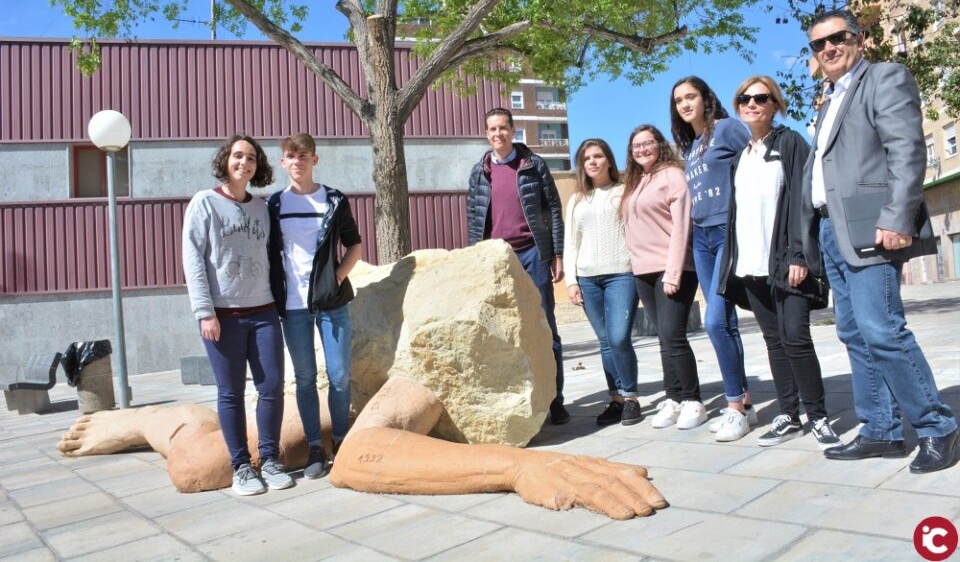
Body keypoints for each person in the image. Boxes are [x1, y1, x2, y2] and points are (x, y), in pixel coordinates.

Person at [55, 376, 667, 519]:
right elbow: (357, 459)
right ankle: (157, 417)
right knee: (196, 466)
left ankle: (196, 417)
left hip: (360, 393)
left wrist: (517, 459)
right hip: (328, 384)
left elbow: (361, 453)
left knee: (204, 465)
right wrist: (514, 464)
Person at [801, 8, 958, 472]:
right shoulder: (828, 100)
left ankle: (938, 427)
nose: (828, 48)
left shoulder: (884, 78)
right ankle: (881, 429)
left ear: (859, 39)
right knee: (852, 332)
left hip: (872, 225)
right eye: (818, 44)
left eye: (837, 38)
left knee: (882, 329)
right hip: (833, 229)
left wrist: (897, 216)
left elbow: (906, 151)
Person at [717, 76, 840, 450]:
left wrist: (800, 254)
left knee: (796, 338)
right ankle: (788, 414)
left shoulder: (789, 143)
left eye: (761, 97)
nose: (752, 104)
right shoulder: (741, 157)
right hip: (751, 265)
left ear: (775, 105)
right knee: (773, 341)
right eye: (744, 98)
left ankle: (818, 416)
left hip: (787, 262)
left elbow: (805, 202)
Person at [181, 134, 294, 496]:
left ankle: (269, 459)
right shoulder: (205, 203)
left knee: (272, 387)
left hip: (263, 311)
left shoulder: (262, 208)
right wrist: (204, 312)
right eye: (237, 156)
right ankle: (241, 466)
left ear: (257, 166)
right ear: (225, 161)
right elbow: (193, 259)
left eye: (250, 158)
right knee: (230, 393)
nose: (243, 163)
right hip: (223, 315)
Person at [267, 133, 363, 479]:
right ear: (283, 162)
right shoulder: (274, 204)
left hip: (332, 303)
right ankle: (315, 449)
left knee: (338, 376)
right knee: (305, 379)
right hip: (292, 307)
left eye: (303, 155)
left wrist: (337, 278)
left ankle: (341, 440)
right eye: (291, 156)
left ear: (314, 160)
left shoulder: (334, 199)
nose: (297, 162)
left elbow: (354, 245)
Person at [467, 107, 569, 424]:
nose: (498, 134)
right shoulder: (479, 171)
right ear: (487, 134)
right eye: (492, 129)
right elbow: (474, 218)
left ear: (513, 131)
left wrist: (556, 254)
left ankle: (555, 400)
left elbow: (553, 208)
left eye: (503, 128)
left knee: (544, 327)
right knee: (504, 332)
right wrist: (477, 259)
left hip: (533, 255)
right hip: (498, 260)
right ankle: (517, 401)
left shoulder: (533, 164)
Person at [670, 76, 755, 442]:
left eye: (691, 97)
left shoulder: (728, 130)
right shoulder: (689, 147)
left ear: (706, 98)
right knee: (725, 324)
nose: (685, 104)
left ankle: (735, 405)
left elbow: (760, 161)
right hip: (702, 238)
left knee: (715, 321)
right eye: (678, 101)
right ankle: (742, 401)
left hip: (727, 231)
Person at [622, 124, 707, 431]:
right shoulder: (636, 181)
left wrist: (673, 272)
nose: (642, 149)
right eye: (636, 146)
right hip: (643, 271)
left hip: (672, 268)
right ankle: (673, 397)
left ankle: (693, 400)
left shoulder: (672, 175)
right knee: (664, 339)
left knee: (674, 336)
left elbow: (682, 226)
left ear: (659, 145)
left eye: (648, 143)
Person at [563, 139, 640, 426]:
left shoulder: (624, 192)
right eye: (587, 158)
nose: (593, 162)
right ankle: (616, 400)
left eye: (598, 156)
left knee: (619, 338)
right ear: (581, 165)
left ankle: (631, 396)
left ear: (609, 159)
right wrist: (572, 281)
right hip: (588, 279)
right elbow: (571, 243)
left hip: (621, 274)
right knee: (605, 342)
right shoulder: (577, 200)